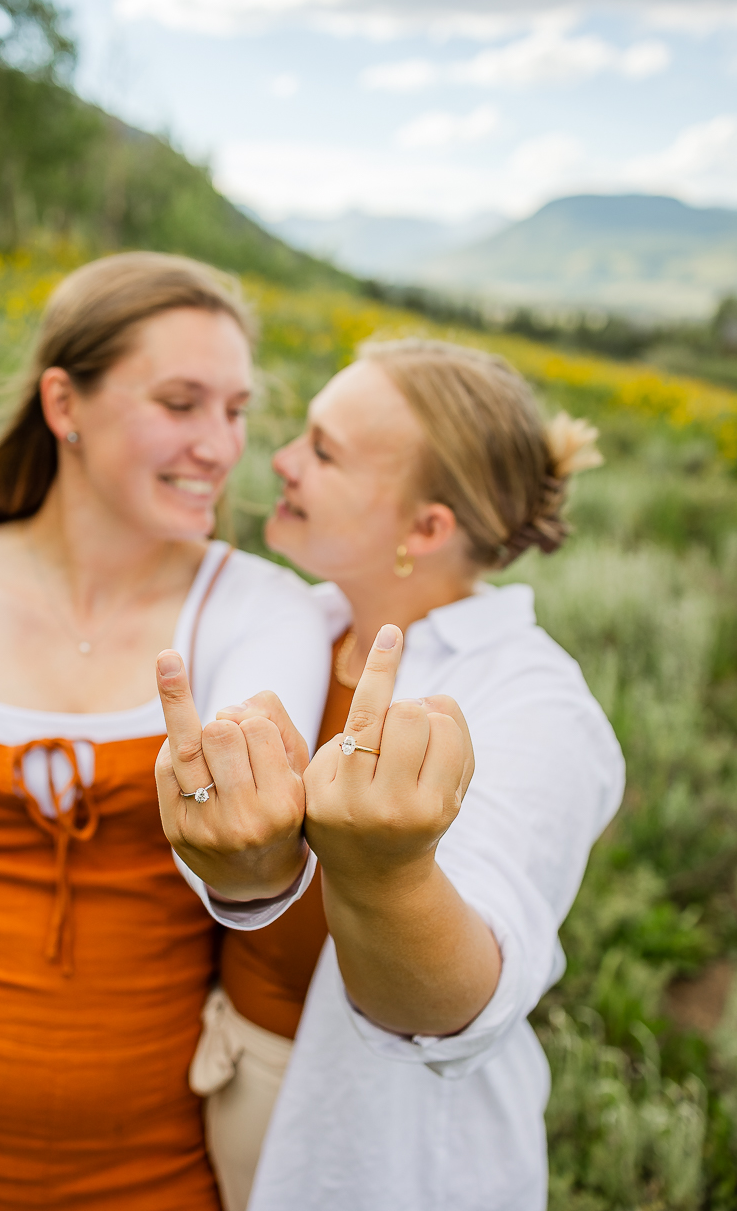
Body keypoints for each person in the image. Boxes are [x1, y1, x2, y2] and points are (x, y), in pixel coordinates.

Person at [0, 252, 330, 1208]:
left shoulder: (261, 614)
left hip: (154, 1170)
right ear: (64, 404)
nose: (221, 445)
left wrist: (250, 852)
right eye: (181, 403)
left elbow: (255, 864)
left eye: (237, 410)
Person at [155, 337, 625, 1211]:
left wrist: (388, 870)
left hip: (385, 1159)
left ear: (426, 529)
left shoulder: (535, 707)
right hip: (219, 1087)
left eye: (323, 450)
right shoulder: (298, 620)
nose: (281, 461)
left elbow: (460, 1003)